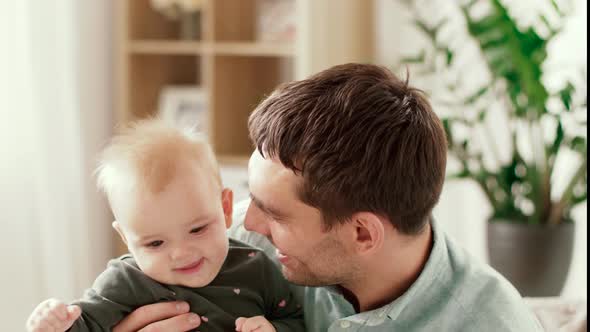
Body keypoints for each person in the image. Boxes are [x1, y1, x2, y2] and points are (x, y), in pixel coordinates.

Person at [114, 63, 544, 331]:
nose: (247, 223)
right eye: (252, 196)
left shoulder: (487, 323)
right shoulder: (226, 243)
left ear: (362, 232)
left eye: (276, 214)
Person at [25, 119, 304, 332]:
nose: (182, 253)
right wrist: (55, 323)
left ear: (226, 208)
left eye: (197, 229)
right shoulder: (125, 281)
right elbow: (86, 323)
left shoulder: (256, 266)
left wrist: (274, 329)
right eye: (155, 243)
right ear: (126, 237)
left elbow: (295, 319)